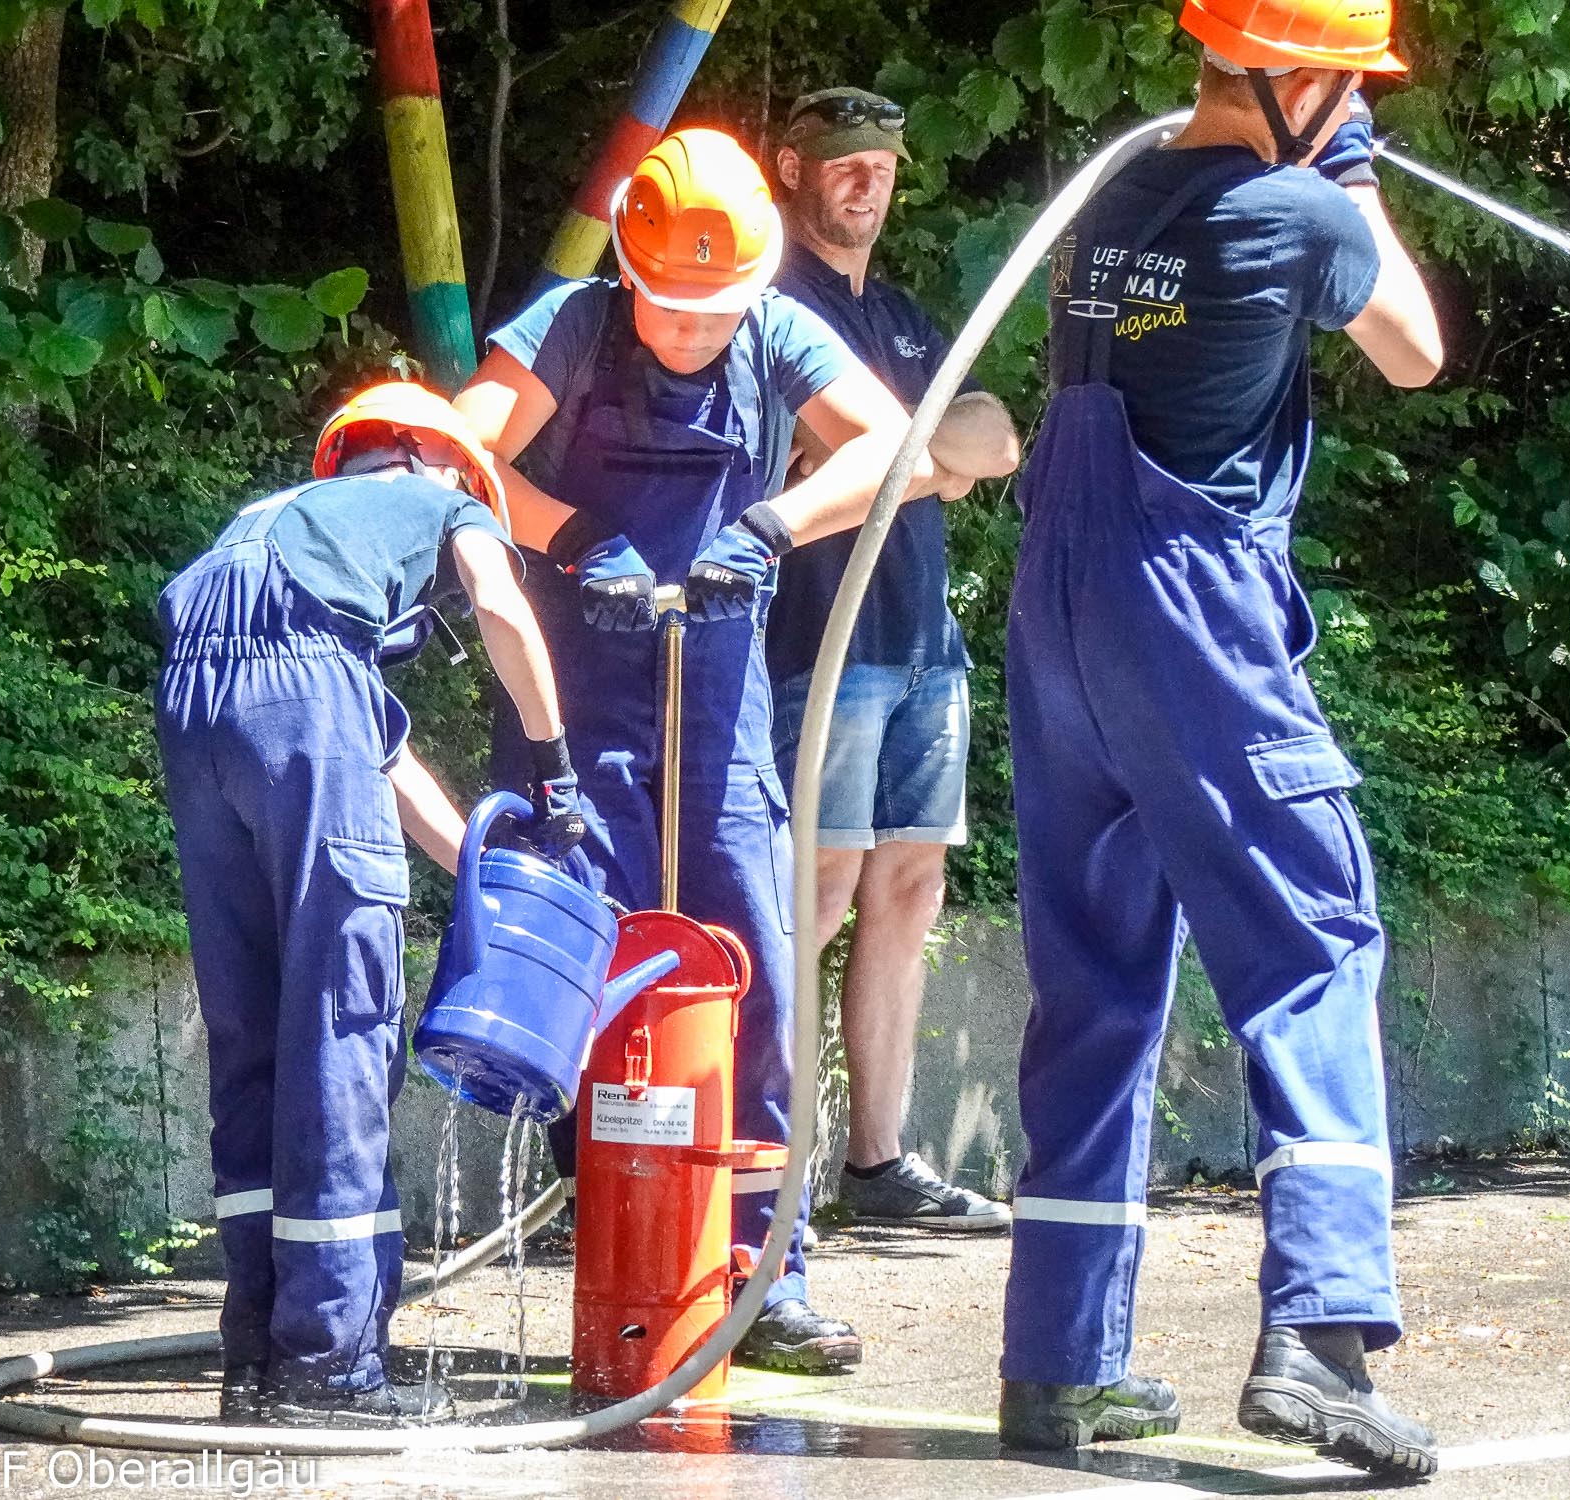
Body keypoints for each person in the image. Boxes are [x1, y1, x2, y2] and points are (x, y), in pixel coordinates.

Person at [997, 0, 1445, 1477]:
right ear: (1299, 74)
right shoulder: (1306, 209)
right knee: (1313, 939)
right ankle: (1318, 1340)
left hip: (1058, 609)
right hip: (1185, 605)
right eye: (1348, 81)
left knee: (1096, 982)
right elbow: (1415, 351)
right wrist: (1356, 168)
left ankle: (1058, 1367)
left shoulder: (1111, 197)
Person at [456, 126, 951, 1373]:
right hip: (575, 725)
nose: (689, 333)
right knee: (588, 989)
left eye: (712, 312)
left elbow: (901, 449)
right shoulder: (571, 327)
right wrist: (567, 536)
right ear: (630, 270)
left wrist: (774, 527)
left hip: (718, 726)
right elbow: (457, 457)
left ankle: (760, 1274)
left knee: (759, 988)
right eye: (669, 308)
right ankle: (613, 1248)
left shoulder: (778, 333)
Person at [155, 382, 583, 1428]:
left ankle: (255, 1352)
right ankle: (331, 1363)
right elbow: (499, 604)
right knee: (341, 1031)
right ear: (439, 461)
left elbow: (369, 751)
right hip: (301, 704)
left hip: (192, 709)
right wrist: (556, 770)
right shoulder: (442, 498)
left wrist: (486, 871)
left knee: (252, 1034)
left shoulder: (271, 527)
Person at [768, 89, 1021, 1231]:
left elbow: (996, 441)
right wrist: (929, 451)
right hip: (818, 641)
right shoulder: (776, 309)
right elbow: (912, 452)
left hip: (926, 642)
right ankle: (751, 1154)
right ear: (791, 170)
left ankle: (877, 1163)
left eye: (881, 163)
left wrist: (901, 453)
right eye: (842, 164)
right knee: (811, 891)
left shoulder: (913, 321)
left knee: (908, 889)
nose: (866, 181)